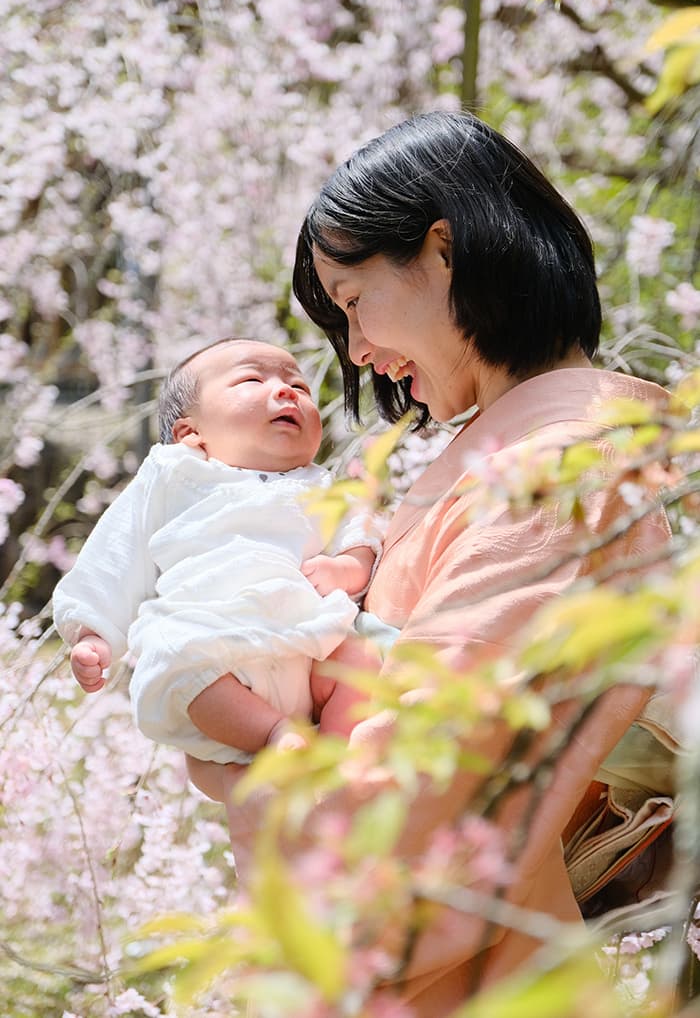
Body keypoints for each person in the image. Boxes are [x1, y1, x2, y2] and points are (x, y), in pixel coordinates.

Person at [185, 111, 674, 1014]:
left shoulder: (562, 465)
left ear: (444, 251)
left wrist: (248, 771)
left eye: (353, 300)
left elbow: (426, 782)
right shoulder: (530, 452)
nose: (357, 351)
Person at [54, 338, 383, 771]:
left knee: (359, 658)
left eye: (299, 387)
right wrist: (95, 632)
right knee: (170, 652)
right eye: (251, 379)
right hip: (211, 644)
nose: (286, 392)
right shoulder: (174, 474)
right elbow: (116, 549)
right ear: (190, 434)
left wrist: (348, 567)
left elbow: (358, 534)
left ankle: (343, 760)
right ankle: (274, 733)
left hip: (305, 640)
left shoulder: (322, 484)